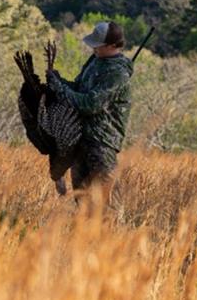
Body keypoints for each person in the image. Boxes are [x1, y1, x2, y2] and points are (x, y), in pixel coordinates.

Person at [46, 21, 133, 211]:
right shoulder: (94, 61)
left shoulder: (118, 74)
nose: (94, 48)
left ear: (113, 45)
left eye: (98, 45)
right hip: (81, 140)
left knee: (107, 205)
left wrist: (60, 89)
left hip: (102, 144)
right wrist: (58, 81)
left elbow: (90, 104)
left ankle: (113, 232)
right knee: (83, 202)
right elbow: (78, 89)